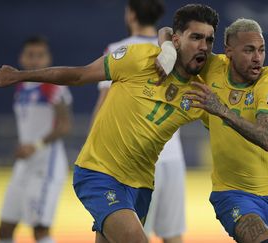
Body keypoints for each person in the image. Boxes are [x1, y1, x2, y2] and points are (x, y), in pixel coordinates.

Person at [0, 4, 219, 243]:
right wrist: (20, 75)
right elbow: (79, 75)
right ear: (177, 40)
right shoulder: (136, 56)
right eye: (196, 37)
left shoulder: (202, 88)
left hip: (141, 184)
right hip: (100, 172)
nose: (204, 46)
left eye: (209, 40)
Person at [182, 18, 268, 243]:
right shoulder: (212, 68)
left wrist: (222, 110)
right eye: (249, 50)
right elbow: (170, 34)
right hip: (231, 194)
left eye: (262, 50)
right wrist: (166, 49)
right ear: (229, 51)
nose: (257, 58)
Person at [92, 1, 186, 243]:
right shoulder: (173, 53)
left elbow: (102, 107)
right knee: (173, 235)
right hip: (173, 157)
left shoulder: (117, 49)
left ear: (131, 14)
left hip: (133, 162)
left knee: (118, 235)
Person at [0, 36, 72, 243]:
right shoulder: (21, 87)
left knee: (40, 231)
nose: (35, 61)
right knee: (4, 228)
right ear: (21, 58)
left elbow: (65, 125)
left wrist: (35, 145)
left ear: (48, 59)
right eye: (31, 55)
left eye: (40, 56)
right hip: (23, 166)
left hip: (45, 166)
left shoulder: (52, 86)